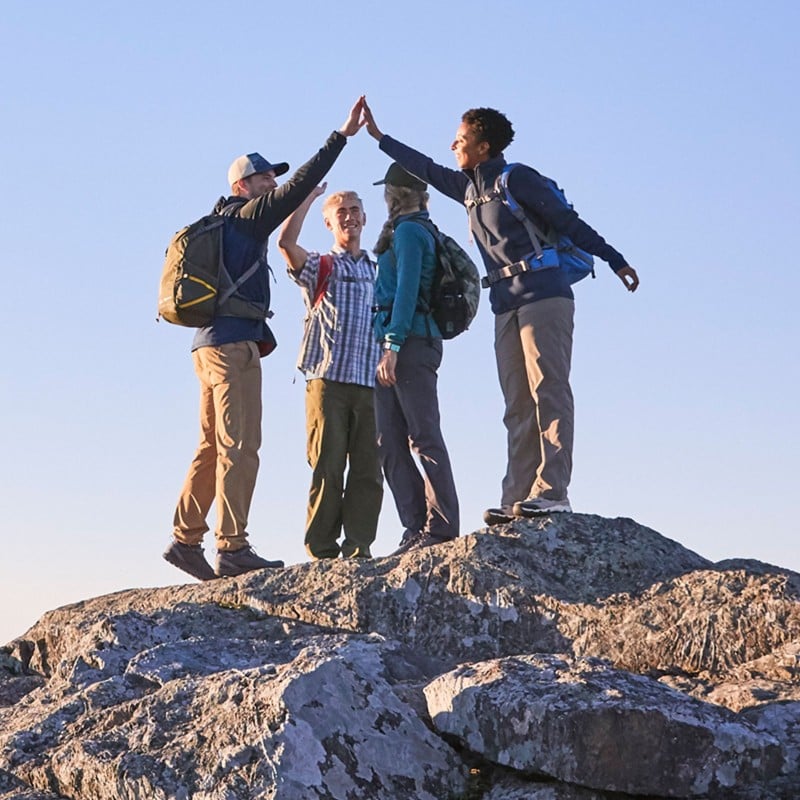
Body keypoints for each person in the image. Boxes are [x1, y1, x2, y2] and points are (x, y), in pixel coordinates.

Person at [361, 100, 639, 524]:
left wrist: (615, 259)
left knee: (549, 388)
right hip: (504, 302)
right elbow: (425, 166)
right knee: (516, 402)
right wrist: (380, 138)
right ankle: (517, 497)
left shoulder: (518, 179)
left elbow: (569, 223)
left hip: (543, 294)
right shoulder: (469, 189)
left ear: (484, 146)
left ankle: (553, 491)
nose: (454, 143)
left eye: (462, 138)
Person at [163, 98, 366, 582]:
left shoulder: (222, 225)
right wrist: (341, 136)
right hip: (234, 347)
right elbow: (296, 186)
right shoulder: (245, 218)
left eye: (272, 179)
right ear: (241, 187)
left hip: (207, 345)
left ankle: (185, 539)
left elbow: (291, 192)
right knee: (240, 445)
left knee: (210, 445)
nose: (272, 184)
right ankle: (231, 547)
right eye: (263, 179)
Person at [277, 186, 383, 559]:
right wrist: (305, 199)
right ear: (328, 222)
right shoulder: (321, 266)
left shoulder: (379, 271)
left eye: (355, 210)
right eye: (341, 213)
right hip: (328, 380)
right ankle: (321, 549)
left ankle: (359, 546)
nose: (350, 217)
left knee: (369, 471)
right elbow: (286, 243)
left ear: (366, 218)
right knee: (327, 465)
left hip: (372, 384)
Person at [371, 163, 460, 555]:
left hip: (410, 342)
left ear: (394, 194)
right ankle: (415, 527)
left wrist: (392, 345)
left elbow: (407, 290)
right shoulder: (410, 230)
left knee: (422, 435)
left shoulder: (410, 232)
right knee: (389, 440)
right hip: (398, 343)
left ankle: (441, 527)